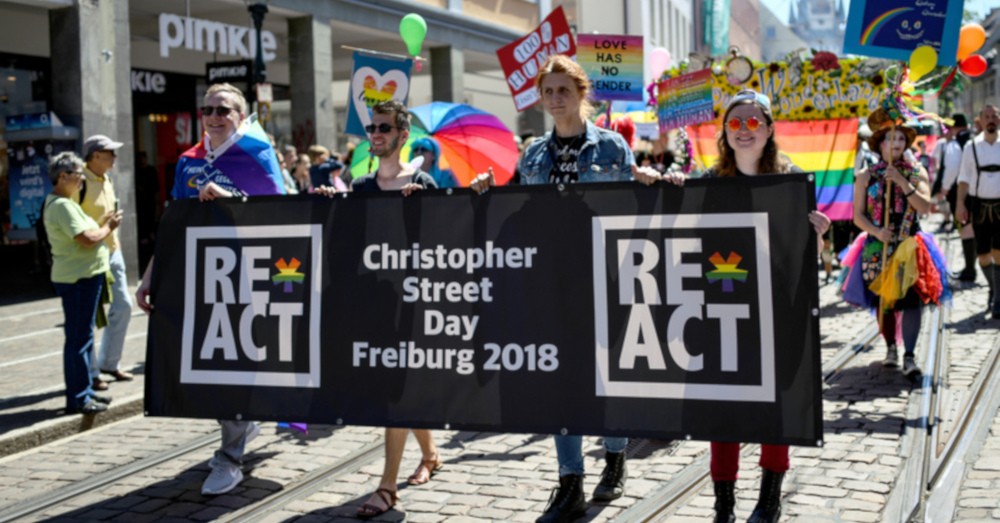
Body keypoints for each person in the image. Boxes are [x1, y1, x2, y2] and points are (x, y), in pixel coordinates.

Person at [469, 54, 681, 523]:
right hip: (550, 281)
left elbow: (629, 212)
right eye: (548, 91)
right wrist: (489, 190)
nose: (555, 99)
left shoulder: (612, 148)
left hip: (604, 277)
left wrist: (647, 182)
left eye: (563, 90)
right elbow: (520, 213)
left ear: (581, 93)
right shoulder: (533, 155)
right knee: (559, 378)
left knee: (606, 375)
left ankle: (615, 455)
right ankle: (570, 482)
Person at [134, 82, 286, 496]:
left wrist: (229, 198)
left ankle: (230, 457)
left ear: (241, 116)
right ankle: (242, 422)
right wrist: (149, 277)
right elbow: (174, 224)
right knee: (210, 367)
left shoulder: (257, 155)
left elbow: (280, 216)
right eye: (208, 109)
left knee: (235, 366)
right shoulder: (188, 161)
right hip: (202, 278)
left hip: (248, 278)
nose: (214, 117)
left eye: (224, 110)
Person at [700, 89, 830, 523]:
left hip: (778, 308)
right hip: (725, 305)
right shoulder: (709, 182)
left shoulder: (791, 182)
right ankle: (724, 505)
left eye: (753, 122)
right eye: (735, 123)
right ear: (724, 131)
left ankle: (769, 498)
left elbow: (804, 255)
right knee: (723, 406)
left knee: (777, 403)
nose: (744, 130)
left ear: (770, 129)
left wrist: (818, 234)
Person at [316, 100, 440, 519]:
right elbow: (349, 241)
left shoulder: (421, 181)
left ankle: (387, 488)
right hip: (375, 303)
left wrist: (423, 208)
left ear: (403, 136)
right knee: (399, 385)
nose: (375, 134)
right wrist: (332, 205)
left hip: (413, 302)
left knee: (396, 390)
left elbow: (447, 240)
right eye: (372, 128)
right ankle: (431, 454)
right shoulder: (362, 185)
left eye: (384, 128)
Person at [844, 106, 949, 375]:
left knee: (912, 300)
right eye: (891, 138)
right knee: (884, 300)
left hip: (910, 245)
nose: (897, 143)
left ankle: (910, 356)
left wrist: (902, 181)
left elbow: (924, 207)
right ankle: (891, 346)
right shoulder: (865, 176)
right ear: (880, 143)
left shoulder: (916, 172)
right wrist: (877, 231)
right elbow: (857, 216)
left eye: (901, 138)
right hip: (877, 246)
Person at [43, 152, 122, 415]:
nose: (81, 179)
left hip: (83, 276)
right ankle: (78, 398)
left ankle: (85, 391)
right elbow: (87, 239)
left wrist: (102, 227)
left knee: (83, 336)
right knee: (79, 339)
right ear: (62, 176)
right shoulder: (62, 206)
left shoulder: (65, 203)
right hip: (78, 279)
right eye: (78, 174)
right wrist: (109, 227)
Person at [80, 134, 134, 388]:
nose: (115, 157)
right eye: (110, 152)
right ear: (95, 155)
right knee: (89, 316)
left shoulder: (108, 179)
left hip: (113, 252)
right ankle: (91, 373)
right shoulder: (79, 181)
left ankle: (109, 363)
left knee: (123, 306)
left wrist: (117, 244)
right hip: (89, 256)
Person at [957, 104, 1000, 317]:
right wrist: (960, 204)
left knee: (999, 253)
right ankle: (994, 288)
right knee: (983, 255)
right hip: (979, 205)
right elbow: (964, 178)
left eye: (994, 116)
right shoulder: (971, 146)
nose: (991, 119)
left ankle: (998, 300)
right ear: (980, 121)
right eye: (987, 116)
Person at [934, 114, 975, 277]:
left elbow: (952, 168)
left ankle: (970, 270)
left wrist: (944, 188)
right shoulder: (975, 139)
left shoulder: (955, 144)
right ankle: (972, 267)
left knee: (964, 229)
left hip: (960, 192)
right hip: (979, 192)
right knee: (972, 229)